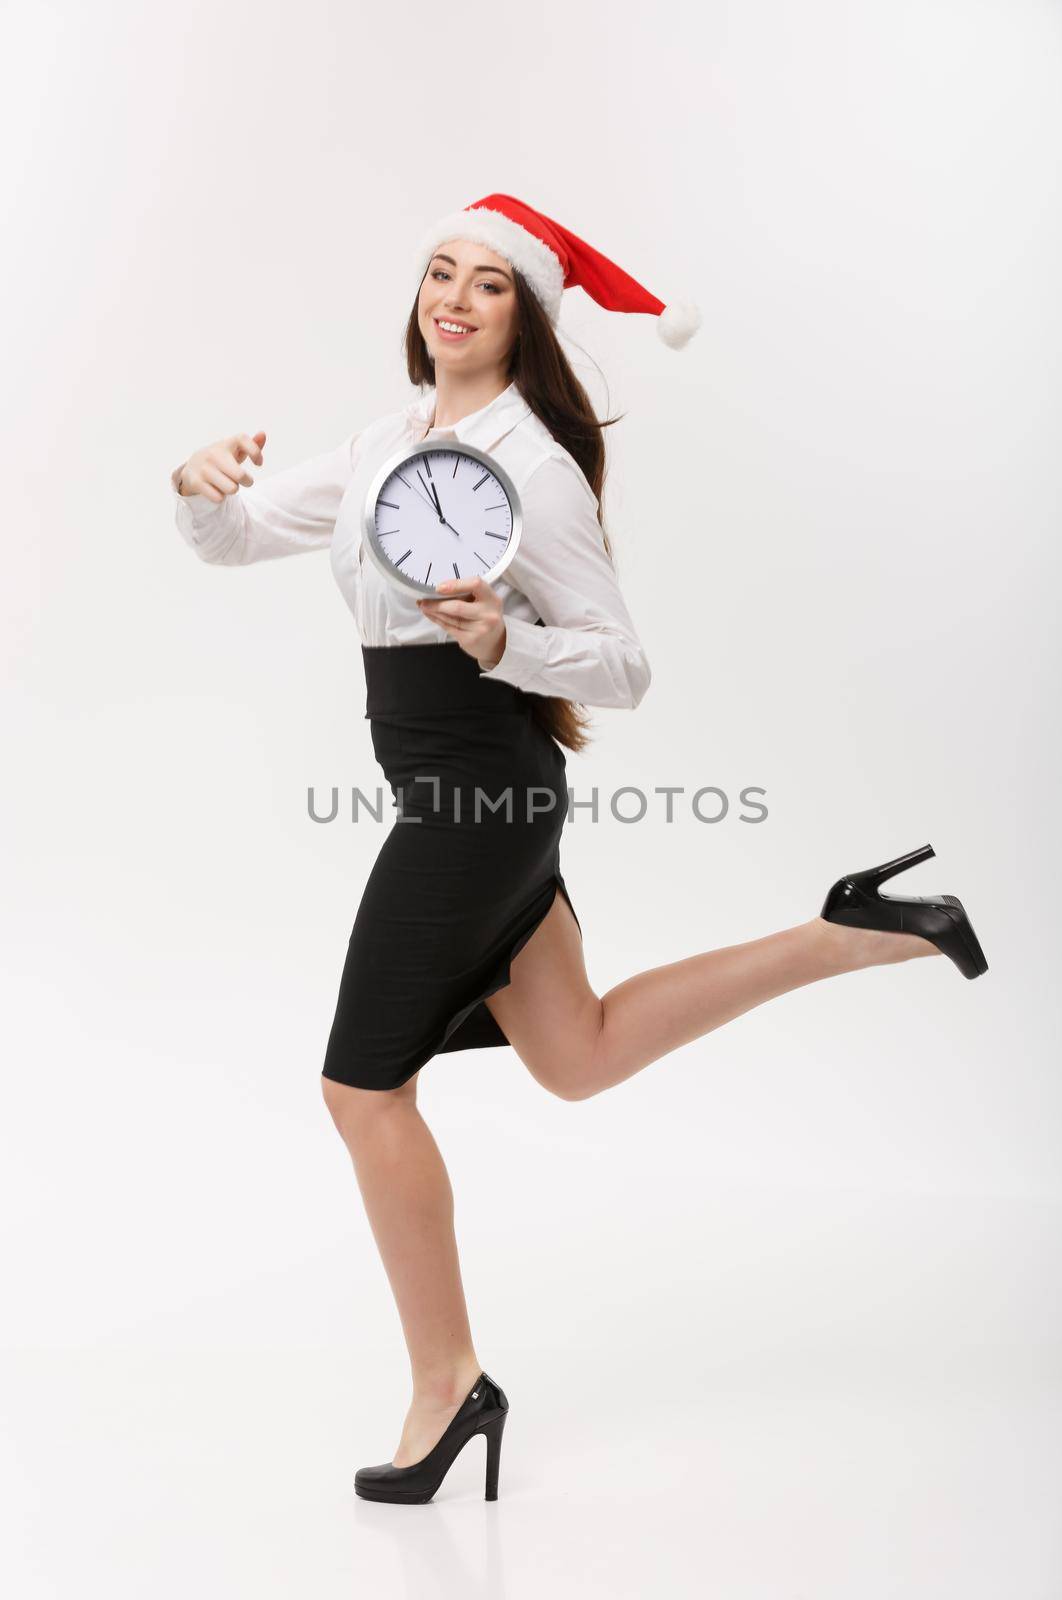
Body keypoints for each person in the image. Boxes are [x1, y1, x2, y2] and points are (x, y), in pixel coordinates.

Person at [170, 192, 989, 1505]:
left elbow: (625, 667)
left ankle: (449, 1386)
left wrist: (511, 645)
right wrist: (198, 488)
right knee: (579, 1053)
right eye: (440, 272)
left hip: (475, 801)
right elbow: (246, 535)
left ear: (526, 315)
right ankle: (856, 929)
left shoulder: (535, 468)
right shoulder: (386, 439)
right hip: (461, 792)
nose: (453, 297)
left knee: (360, 1088)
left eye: (487, 284)